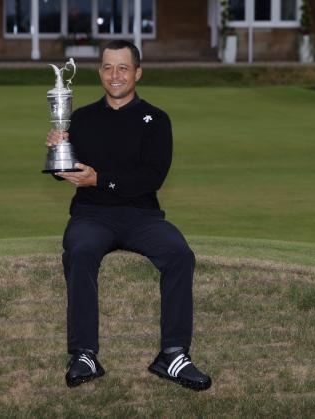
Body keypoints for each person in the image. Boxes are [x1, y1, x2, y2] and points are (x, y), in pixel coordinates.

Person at [46, 40, 211, 391]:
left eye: (123, 67)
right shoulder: (82, 118)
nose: (115, 75)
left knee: (180, 254)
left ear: (138, 72)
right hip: (92, 214)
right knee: (80, 251)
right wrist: (58, 153)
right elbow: (69, 171)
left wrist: (100, 179)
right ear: (99, 72)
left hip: (142, 216)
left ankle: (173, 354)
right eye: (107, 67)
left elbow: (152, 177)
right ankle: (84, 354)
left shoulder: (157, 120)